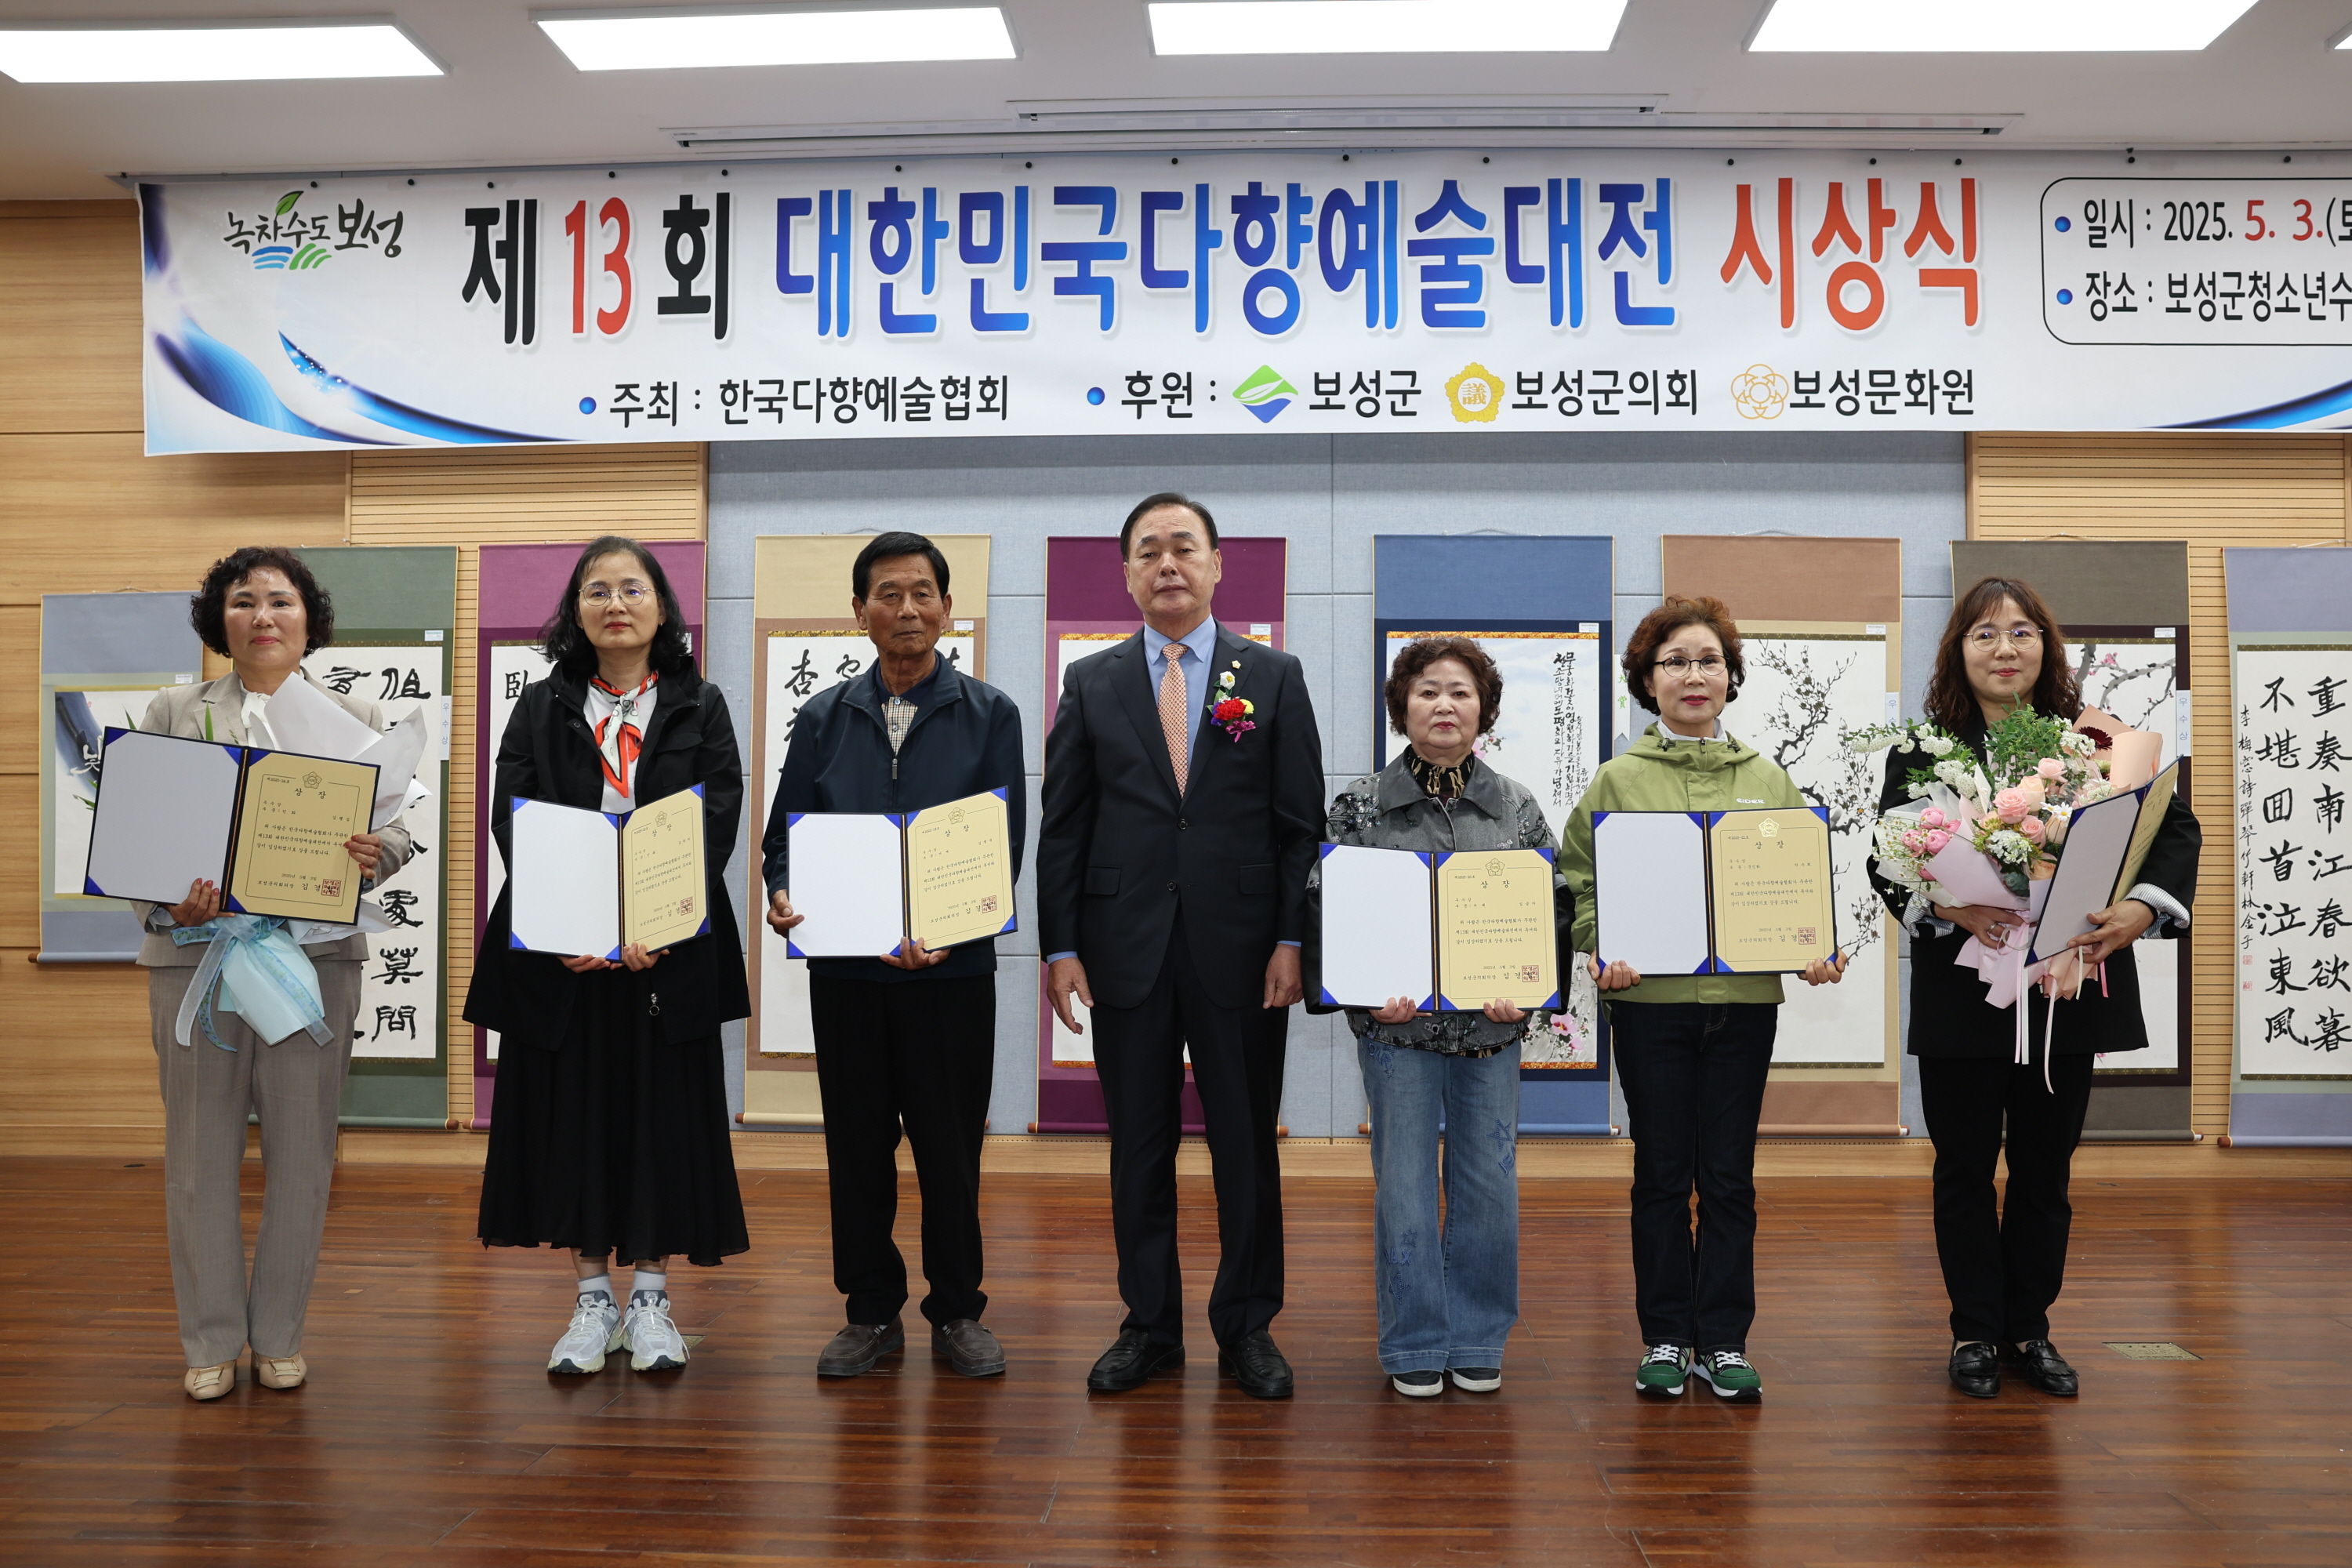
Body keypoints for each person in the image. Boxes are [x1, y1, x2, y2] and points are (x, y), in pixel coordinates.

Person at [1874, 577, 2199, 1401]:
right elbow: (1888, 855)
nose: (2006, 647)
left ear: (2046, 648)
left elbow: (2172, 827)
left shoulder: (2094, 741)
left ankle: (2032, 1326)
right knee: (1963, 1166)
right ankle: (1974, 1330)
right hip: (1966, 985)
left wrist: (2135, 909)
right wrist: (1947, 899)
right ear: (1958, 651)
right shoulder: (1920, 750)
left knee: (2046, 1167)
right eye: (1985, 634)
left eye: (2021, 632)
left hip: (2068, 981)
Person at [1037, 492, 1324, 1399]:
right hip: (1125, 948)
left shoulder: (1271, 676)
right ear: (1126, 573)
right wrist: (1060, 945)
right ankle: (1149, 1324)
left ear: (1216, 565)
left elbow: (1298, 825)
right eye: (1149, 551)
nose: (1168, 564)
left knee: (1246, 1142)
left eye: (1184, 548)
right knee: (1139, 1145)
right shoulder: (1093, 681)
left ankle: (1247, 1324)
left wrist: (1290, 936)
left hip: (1244, 951)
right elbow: (1065, 826)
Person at [135, 546, 415, 1402]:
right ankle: (212, 1338)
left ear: (309, 619)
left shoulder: (359, 716)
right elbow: (140, 835)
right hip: (196, 959)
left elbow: (401, 836)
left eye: (280, 601)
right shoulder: (174, 709)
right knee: (197, 1154)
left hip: (313, 962)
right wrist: (166, 904)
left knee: (303, 1155)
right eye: (243, 600)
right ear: (218, 620)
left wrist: (374, 857)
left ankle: (281, 1336)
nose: (263, 615)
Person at [467, 535, 750, 1377]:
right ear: (576, 612)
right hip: (564, 954)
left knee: (664, 1120)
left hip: (670, 950)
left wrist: (657, 919)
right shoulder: (541, 703)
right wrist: (574, 923)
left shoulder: (702, 702)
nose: (615, 602)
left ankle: (654, 1299)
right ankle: (593, 1299)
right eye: (597, 589)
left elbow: (718, 815)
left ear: (662, 608)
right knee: (574, 1119)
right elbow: (513, 815)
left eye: (633, 588)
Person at [1559, 595, 1846, 1405]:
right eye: (1675, 661)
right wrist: (1597, 943)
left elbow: (1795, 881)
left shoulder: (1767, 776)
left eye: (1708, 659)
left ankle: (1723, 1339)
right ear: (1647, 681)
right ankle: (1665, 1334)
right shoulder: (1618, 778)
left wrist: (1811, 944)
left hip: (1746, 1005)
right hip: (1650, 1006)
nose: (1694, 674)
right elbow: (1579, 880)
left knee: (1728, 1177)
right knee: (1660, 1174)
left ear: (1731, 677)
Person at [761, 532, 1025, 1381]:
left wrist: (952, 926)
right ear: (859, 611)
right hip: (848, 973)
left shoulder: (991, 712)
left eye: (922, 593)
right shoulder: (821, 715)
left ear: (948, 608)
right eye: (887, 594)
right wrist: (780, 894)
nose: (906, 609)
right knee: (858, 1145)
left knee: (952, 1150)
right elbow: (782, 843)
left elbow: (1000, 842)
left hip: (952, 974)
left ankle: (957, 1309)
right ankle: (870, 1309)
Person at [1303, 638, 1573, 1397]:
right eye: (1427, 691)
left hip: (1491, 1033)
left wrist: (1527, 987)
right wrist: (1362, 991)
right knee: (1405, 1185)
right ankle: (1415, 1339)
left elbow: (1549, 909)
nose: (1444, 704)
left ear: (1483, 706)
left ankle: (1480, 1333)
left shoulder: (1516, 804)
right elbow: (1329, 910)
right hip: (1398, 1035)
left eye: (1460, 691)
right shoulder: (1360, 803)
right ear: (1402, 707)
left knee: (1489, 1183)